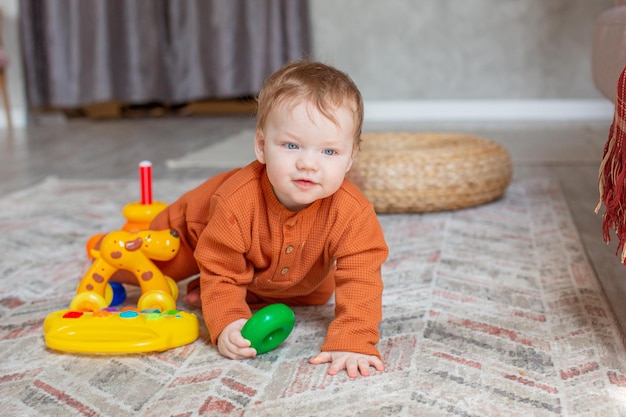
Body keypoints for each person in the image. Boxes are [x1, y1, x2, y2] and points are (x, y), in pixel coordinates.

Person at [150, 61, 389, 378]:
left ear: (350, 159)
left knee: (316, 291)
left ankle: (238, 287)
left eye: (329, 152)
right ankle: (128, 255)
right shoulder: (235, 201)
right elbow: (221, 268)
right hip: (191, 230)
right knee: (152, 264)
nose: (307, 164)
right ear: (262, 146)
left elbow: (362, 280)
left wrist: (353, 339)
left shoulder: (353, 212)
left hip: (267, 259)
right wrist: (228, 321)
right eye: (291, 146)